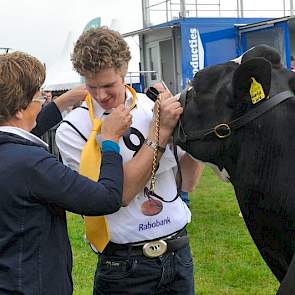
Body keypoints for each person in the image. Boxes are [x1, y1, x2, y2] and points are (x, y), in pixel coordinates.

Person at [56, 27, 202, 295]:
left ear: (124, 72)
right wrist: (161, 133)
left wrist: (195, 131)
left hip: (177, 253)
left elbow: (188, 182)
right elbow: (118, 194)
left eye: (109, 85)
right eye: (92, 86)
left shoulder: (152, 107)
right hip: (124, 265)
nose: (100, 96)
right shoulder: (73, 129)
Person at [0, 51, 132, 294]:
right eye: (38, 96)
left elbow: (19, 128)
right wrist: (111, 141)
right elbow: (107, 198)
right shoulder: (32, 165)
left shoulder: (10, 153)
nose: (42, 102)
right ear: (20, 108)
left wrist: (63, 102)